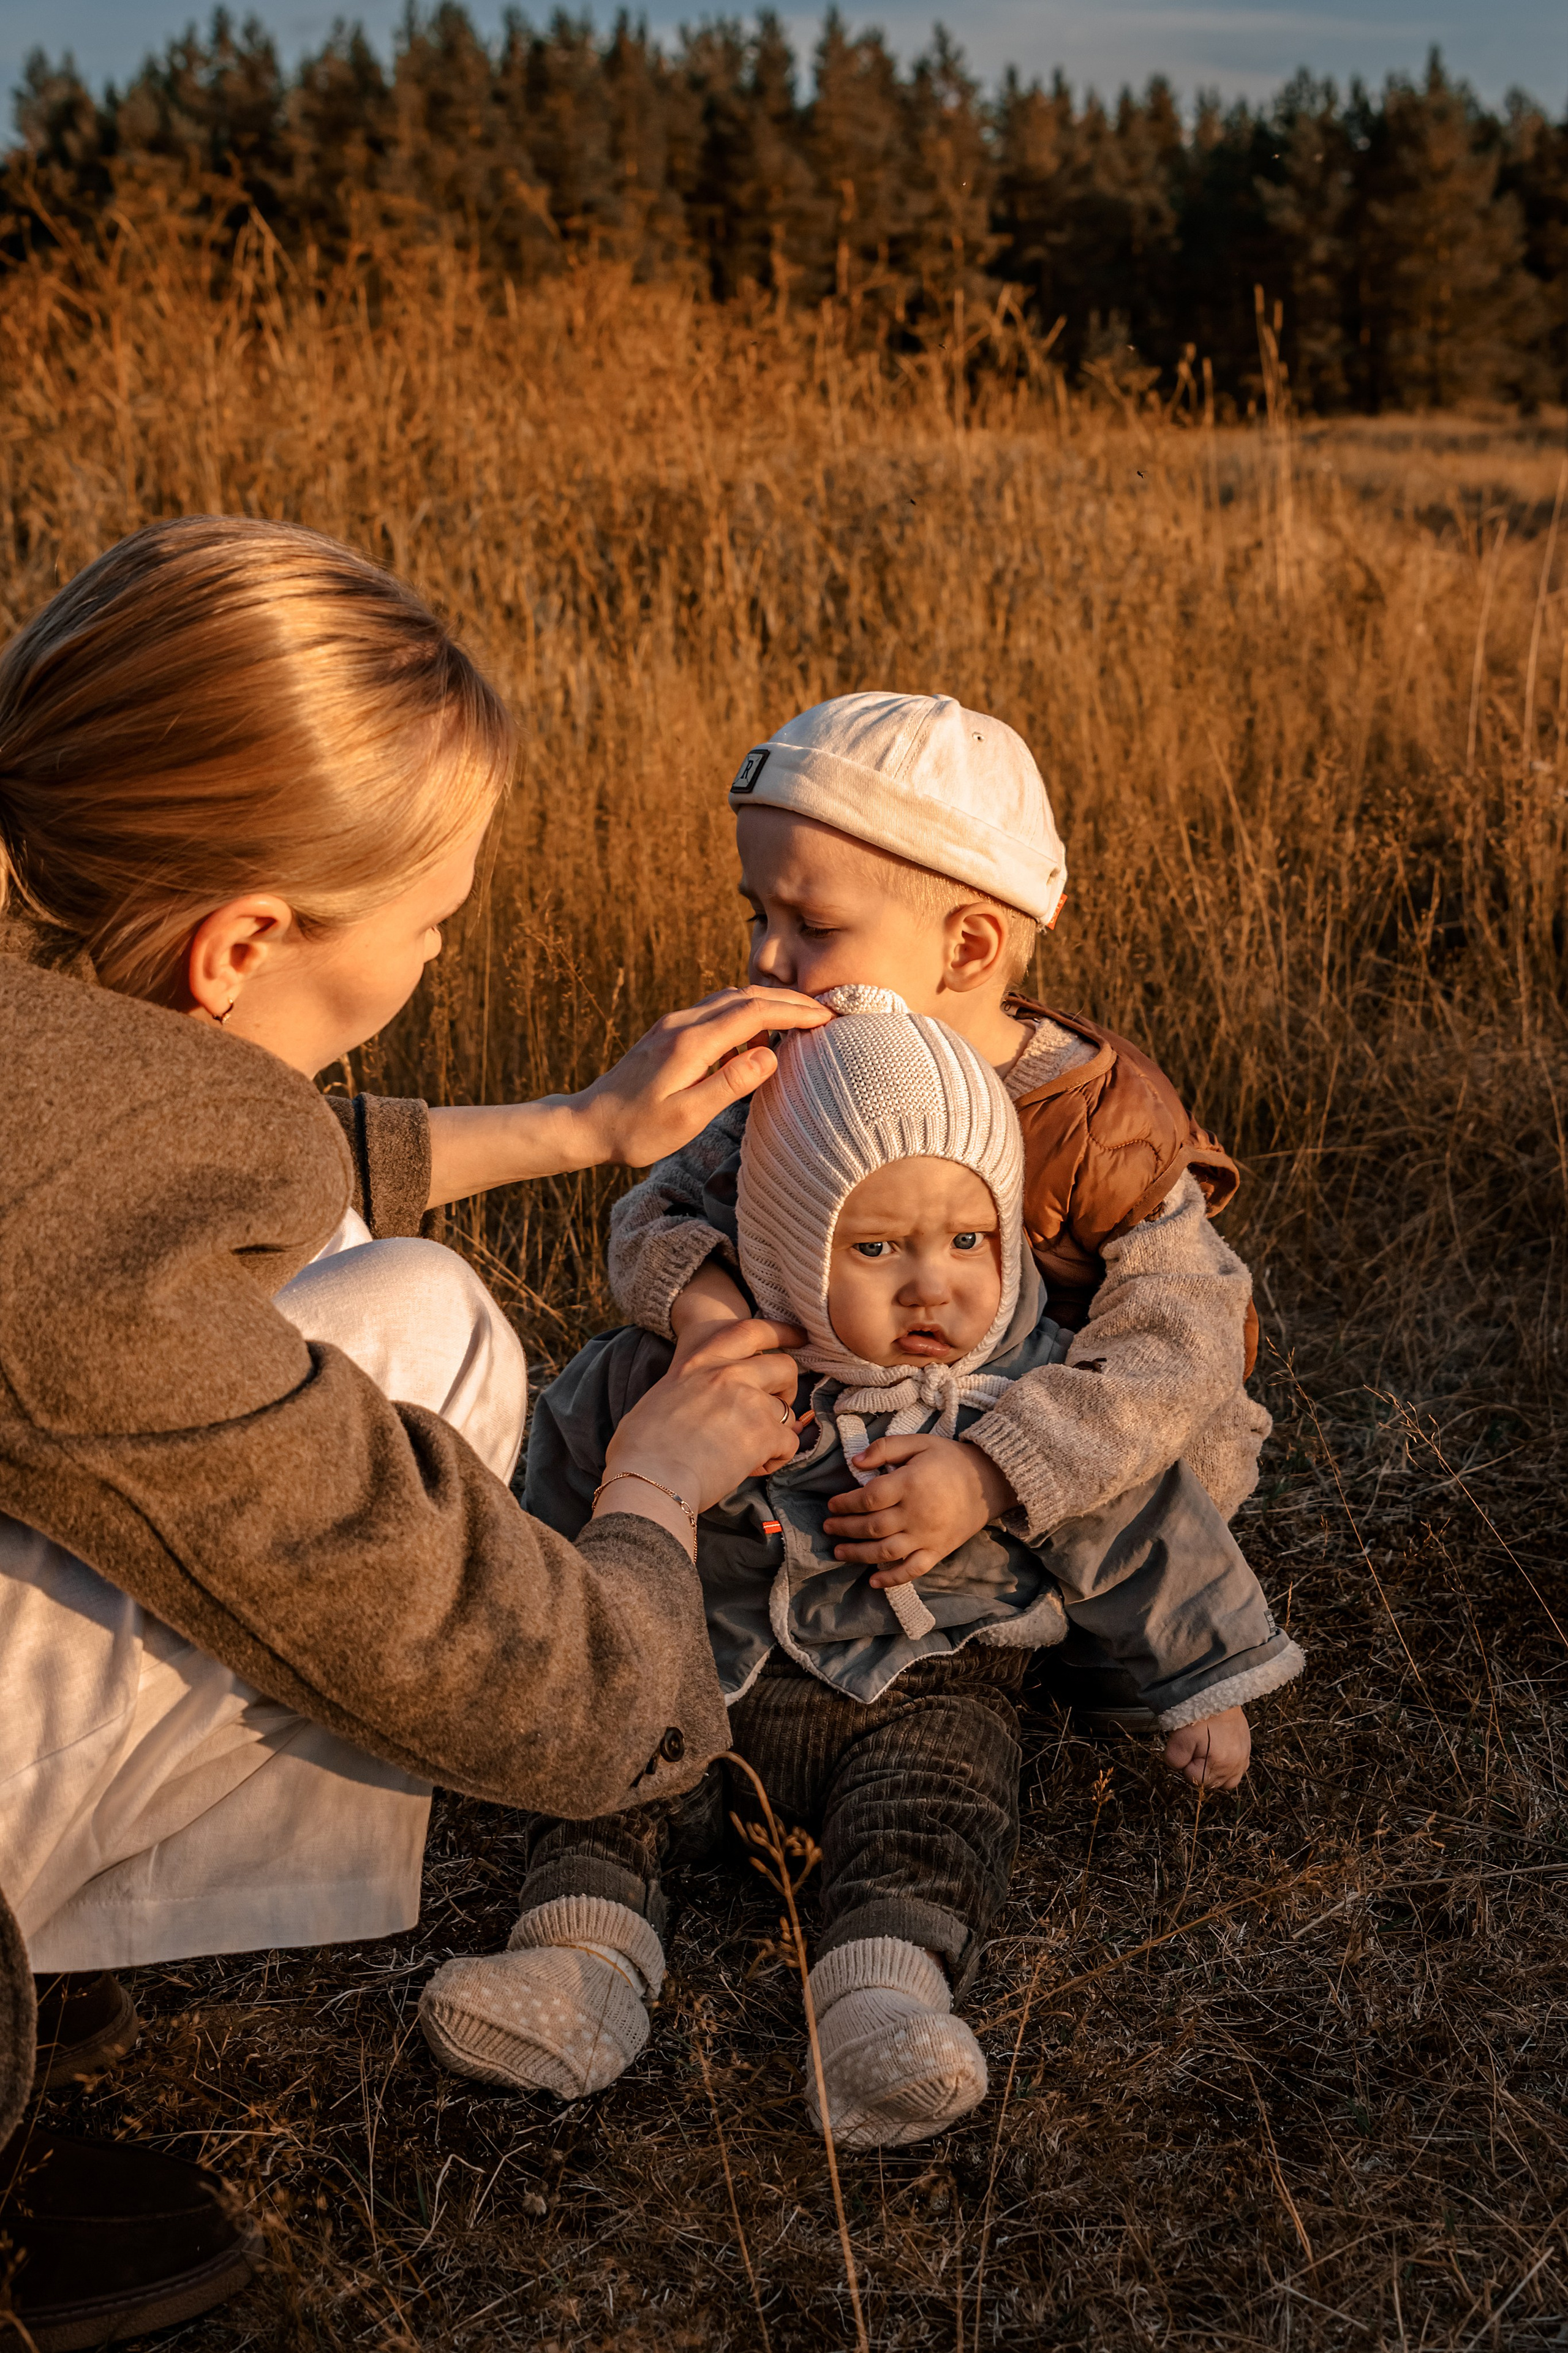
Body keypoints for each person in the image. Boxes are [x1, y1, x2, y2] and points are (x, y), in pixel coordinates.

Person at [0, 515, 828, 2350]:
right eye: (436, 919)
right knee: (427, 1328)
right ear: (245, 945)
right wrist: (653, 1490)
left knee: (387, 1274)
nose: (447, 946)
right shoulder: (99, 1295)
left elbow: (173, 1157)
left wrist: (580, 1121)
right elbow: (545, 1693)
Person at [418, 993, 1303, 2147]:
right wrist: (535, 1631)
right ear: (787, 1243)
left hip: (924, 1683)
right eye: (875, 1247)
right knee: (606, 1777)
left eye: (967, 1242)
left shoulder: (1024, 1397)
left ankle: (881, 1999)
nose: (931, 1286)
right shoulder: (685, 1370)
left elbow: (1141, 1524)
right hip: (704, 1679)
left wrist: (1212, 1678)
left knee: (940, 1801)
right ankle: (578, 1956)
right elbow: (559, 1473)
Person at [605, 691, 1274, 1727]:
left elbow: (1184, 1343)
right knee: (634, 1380)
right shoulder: (801, 1070)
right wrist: (707, 1315)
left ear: (968, 947)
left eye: (811, 924)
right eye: (759, 915)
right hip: (856, 1445)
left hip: (1048, 1456)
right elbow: (656, 1211)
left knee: (1157, 1447)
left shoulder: (1097, 1122)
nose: (767, 958)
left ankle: (1085, 1626)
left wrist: (997, 1469)